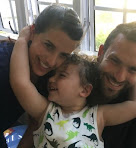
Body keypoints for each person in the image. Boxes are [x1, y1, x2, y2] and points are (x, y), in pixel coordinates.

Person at [10, 28, 136, 147]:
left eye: (62, 75)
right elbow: (20, 82)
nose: (51, 79)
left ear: (85, 90)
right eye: (54, 75)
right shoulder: (45, 111)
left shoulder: (99, 116)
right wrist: (22, 40)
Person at [0, 4, 83, 147]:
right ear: (32, 32)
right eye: (48, 45)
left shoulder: (52, 78)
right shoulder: (3, 64)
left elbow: (34, 126)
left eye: (63, 55)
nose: (51, 61)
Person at [97, 22, 136, 148]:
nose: (119, 77)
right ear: (101, 52)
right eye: (114, 61)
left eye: (133, 69)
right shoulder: (76, 79)